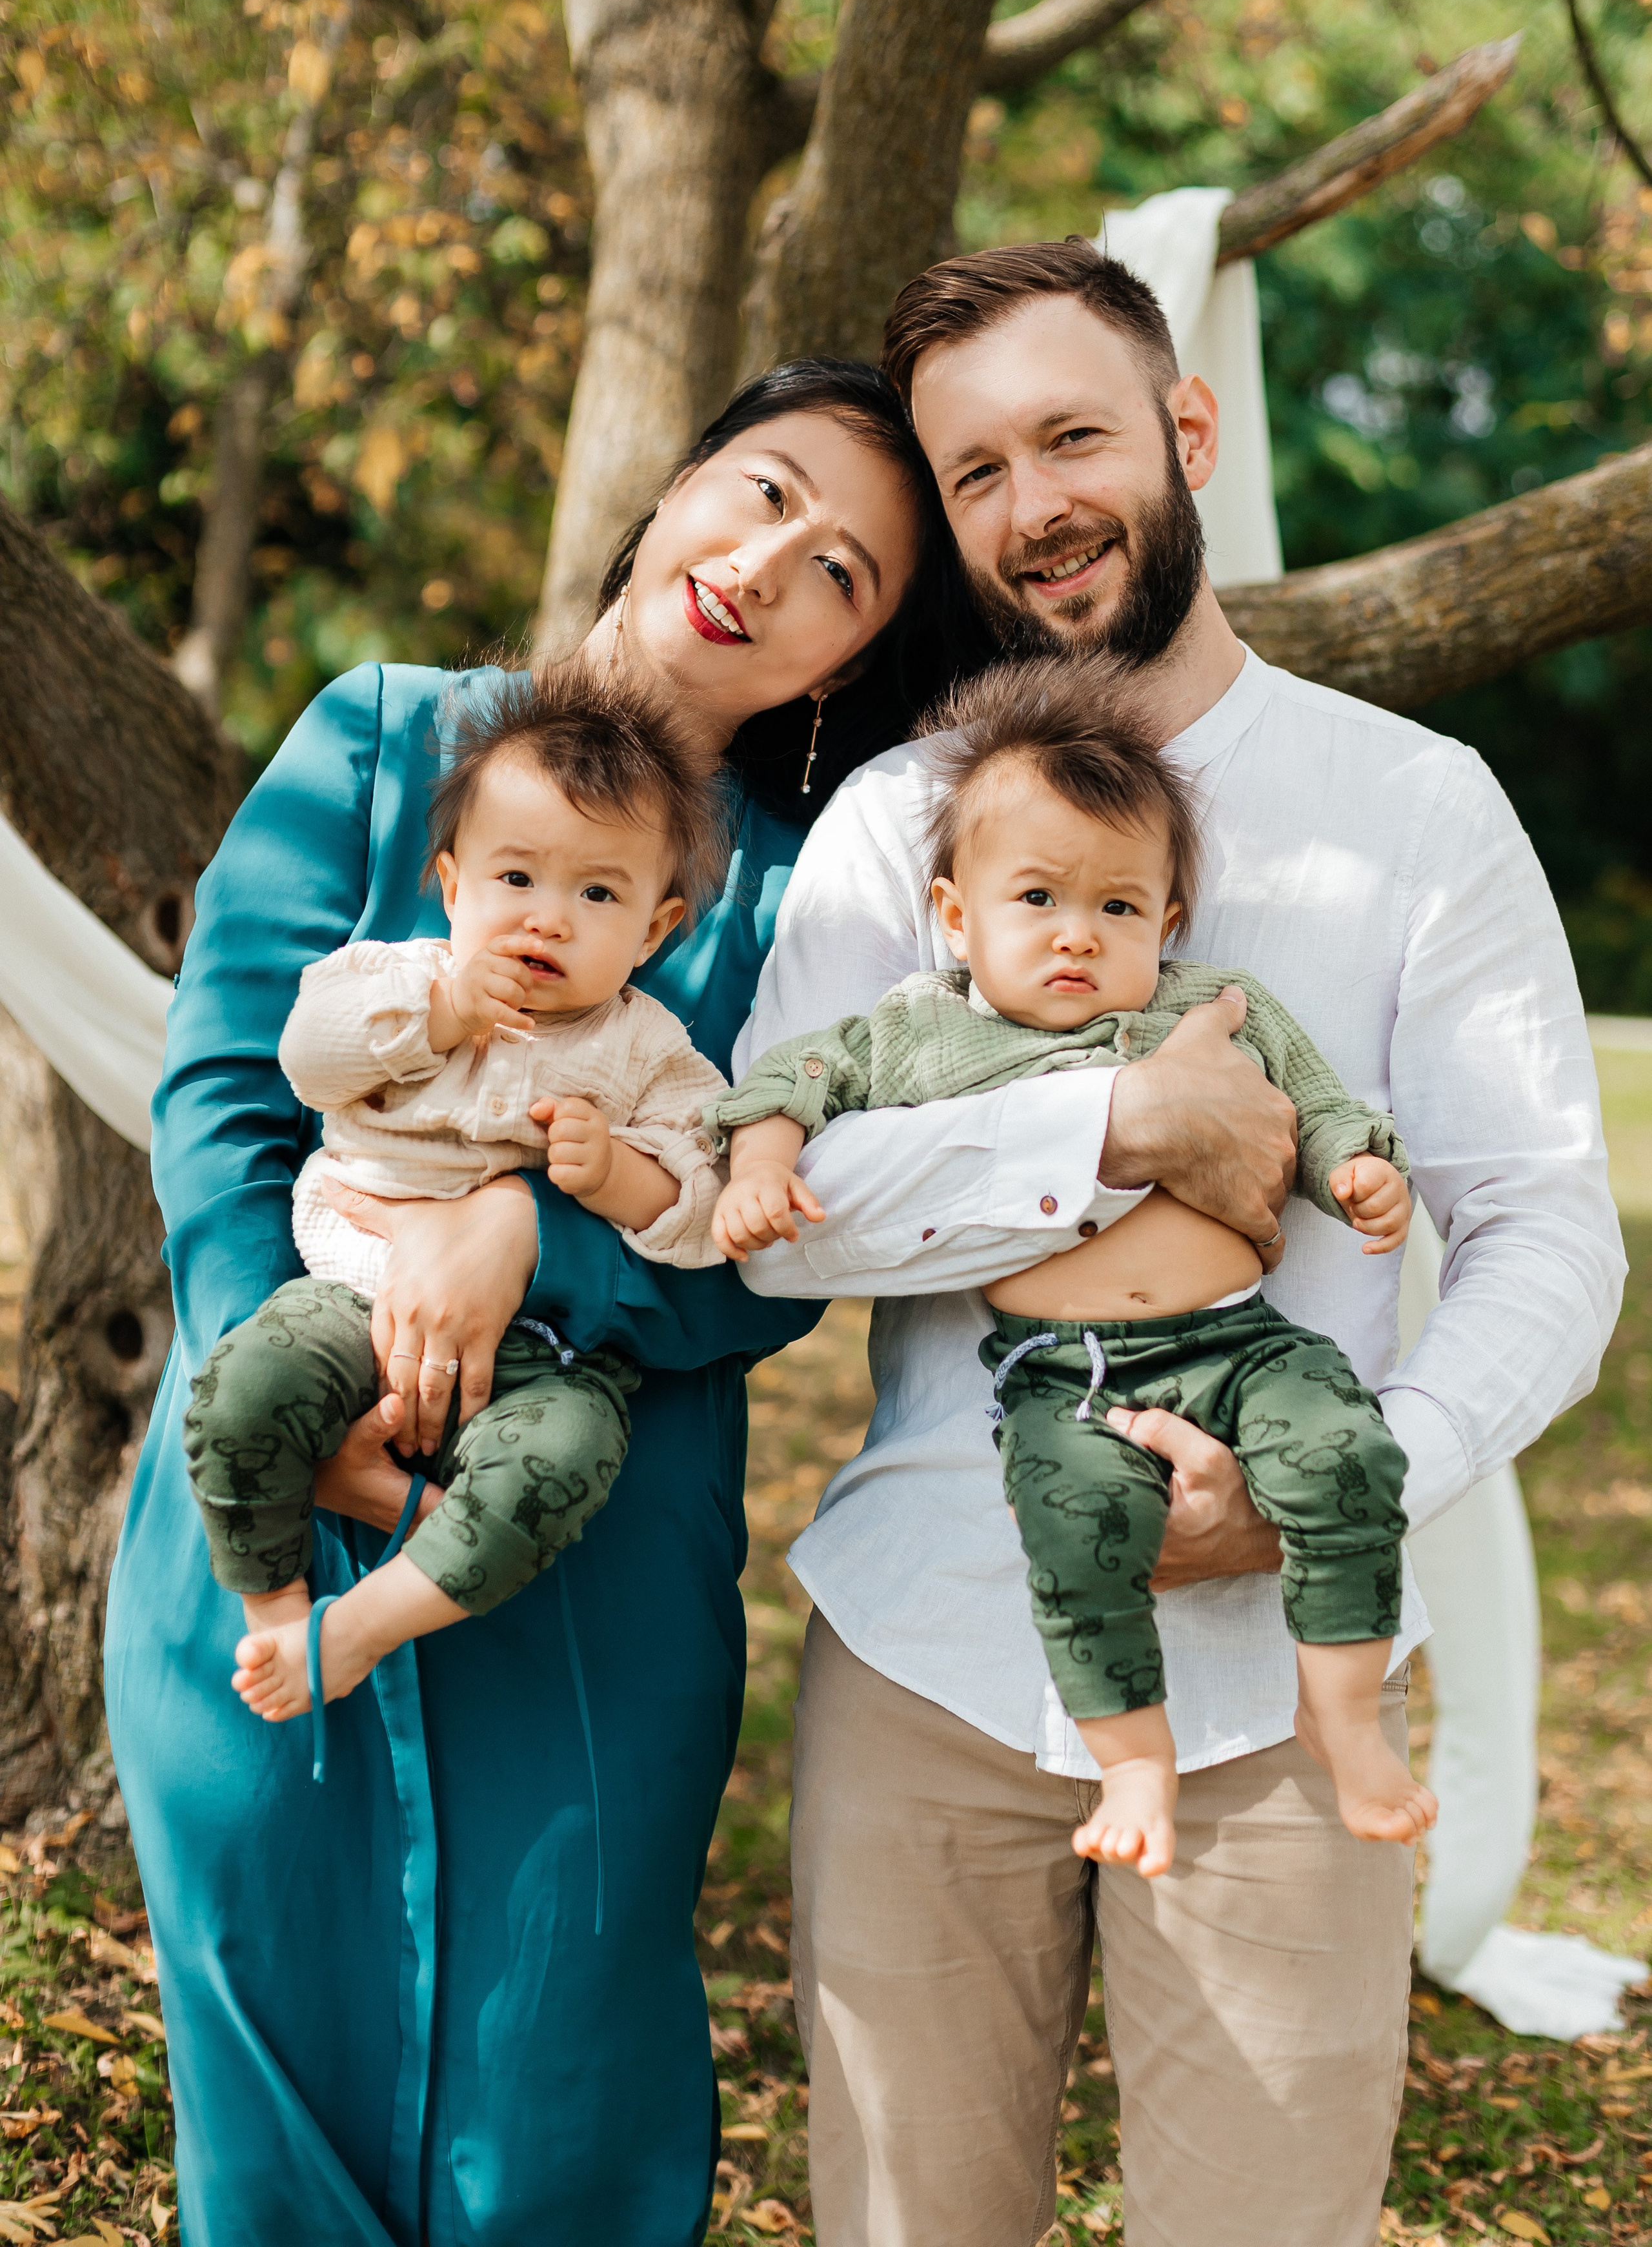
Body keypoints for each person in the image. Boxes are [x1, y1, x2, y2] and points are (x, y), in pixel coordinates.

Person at [733, 242, 1625, 2247]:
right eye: (977, 474)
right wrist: (1108, 1125)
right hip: (932, 1642)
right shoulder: (898, 828)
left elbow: (1550, 1233)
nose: (1034, 505)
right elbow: (771, 1238)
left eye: (1073, 438)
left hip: (1282, 1700)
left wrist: (1357, 1472)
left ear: (1186, 433)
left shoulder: (1417, 811)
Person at [104, 358, 978, 2247]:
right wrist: (295, 1361)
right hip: (264, 1495)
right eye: (760, 493)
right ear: (673, 491)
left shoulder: (804, 907)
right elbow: (225, 1090)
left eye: (843, 573)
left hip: (590, 1556)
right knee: (264, 2089)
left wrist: (530, 1230)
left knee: (557, 2090)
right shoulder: (384, 733)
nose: (771, 562)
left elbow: (784, 1253)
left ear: (848, 664)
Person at [710, 660, 1431, 1875]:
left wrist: (1357, 1165)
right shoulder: (923, 1031)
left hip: (1242, 1343)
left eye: (1118, 909)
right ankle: (1135, 1762)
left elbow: (1314, 1107)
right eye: (1036, 897)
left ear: (1171, 922)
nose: (1074, 937)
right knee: (1080, 1529)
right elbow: (791, 1082)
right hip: (1066, 1374)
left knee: (1347, 1456)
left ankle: (1343, 1711)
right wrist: (759, 1170)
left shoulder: (1217, 1008)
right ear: (955, 913)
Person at [184, 663, 731, 1730]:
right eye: (516, 879)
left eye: (598, 895)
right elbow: (308, 1058)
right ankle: (277, 1605)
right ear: (452, 883)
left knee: (567, 1462)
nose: (549, 920)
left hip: (545, 1347)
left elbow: (704, 1199)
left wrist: (615, 1173)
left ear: (656, 930)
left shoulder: (649, 1048)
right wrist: (436, 1012)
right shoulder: (395, 976)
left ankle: (370, 1623)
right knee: (245, 1390)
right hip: (349, 1281)